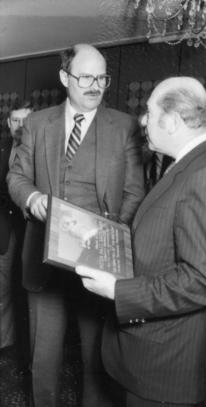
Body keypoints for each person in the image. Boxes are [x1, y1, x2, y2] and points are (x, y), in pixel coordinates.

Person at [76, 76, 206, 407]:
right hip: (152, 353)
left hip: (166, 368)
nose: (143, 120)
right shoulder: (189, 163)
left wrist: (117, 291)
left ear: (174, 120)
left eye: (149, 112)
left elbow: (202, 280)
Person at [7, 43, 145, 407]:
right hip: (43, 261)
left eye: (102, 77)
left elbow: (134, 193)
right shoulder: (37, 124)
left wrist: (110, 237)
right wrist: (33, 199)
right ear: (64, 77)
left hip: (98, 265)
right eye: (86, 77)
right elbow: (17, 177)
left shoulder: (125, 127)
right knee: (44, 356)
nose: (95, 85)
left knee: (96, 361)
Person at [0, 101, 32, 356]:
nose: (20, 126)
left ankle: (27, 346)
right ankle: (6, 342)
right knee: (4, 286)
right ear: (8, 123)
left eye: (25, 120)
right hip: (5, 231)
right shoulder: (2, 149)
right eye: (15, 120)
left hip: (33, 232)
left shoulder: (41, 151)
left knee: (29, 289)